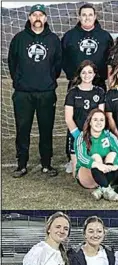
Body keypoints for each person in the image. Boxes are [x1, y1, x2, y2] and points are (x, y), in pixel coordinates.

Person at [8, 4, 62, 178]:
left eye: (41, 15)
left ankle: (46, 164)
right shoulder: (19, 38)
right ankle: (21, 165)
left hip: (46, 93)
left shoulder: (53, 39)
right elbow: (12, 62)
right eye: (34, 15)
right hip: (23, 93)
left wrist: (48, 80)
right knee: (22, 129)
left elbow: (57, 64)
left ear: (45, 18)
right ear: (29, 18)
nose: (37, 18)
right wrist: (20, 81)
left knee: (46, 129)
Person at [64, 60, 105, 175]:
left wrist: (94, 133)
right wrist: (79, 135)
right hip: (76, 135)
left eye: (90, 72)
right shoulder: (72, 93)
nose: (87, 75)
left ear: (94, 74)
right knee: (77, 173)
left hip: (94, 134)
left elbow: (101, 117)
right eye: (84, 72)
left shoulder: (99, 92)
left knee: (96, 168)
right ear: (79, 74)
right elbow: (68, 118)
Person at [74, 109, 118, 201]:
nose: (98, 122)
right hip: (87, 175)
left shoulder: (109, 136)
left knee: (112, 154)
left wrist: (115, 166)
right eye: (95, 120)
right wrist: (98, 165)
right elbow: (81, 158)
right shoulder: (82, 137)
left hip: (105, 173)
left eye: (102, 120)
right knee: (96, 156)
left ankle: (102, 189)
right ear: (90, 122)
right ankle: (108, 189)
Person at [61, 3, 113, 90]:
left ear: (95, 16)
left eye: (90, 15)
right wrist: (71, 74)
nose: (87, 18)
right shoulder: (69, 36)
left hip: (98, 83)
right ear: (79, 17)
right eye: (84, 15)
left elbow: (111, 59)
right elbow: (61, 57)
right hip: (76, 82)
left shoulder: (105, 36)